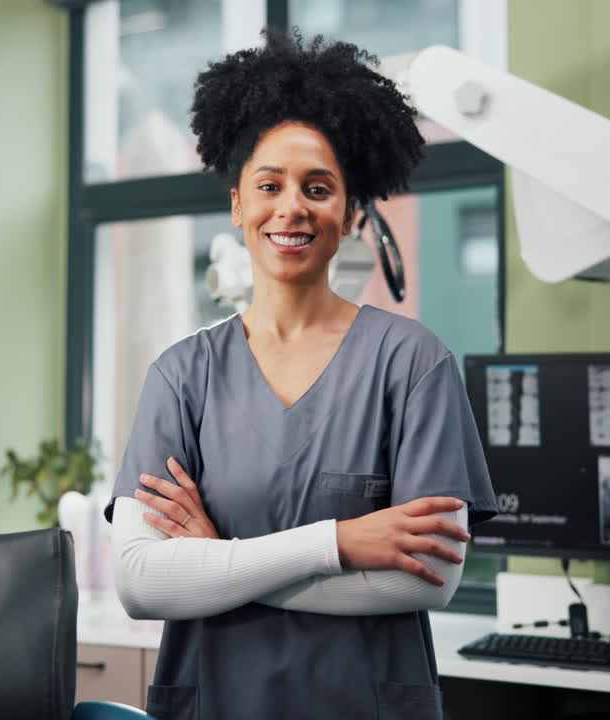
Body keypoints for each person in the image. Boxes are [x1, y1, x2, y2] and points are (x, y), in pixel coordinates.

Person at [104, 31, 497, 720]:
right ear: (237, 205)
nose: (292, 207)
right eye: (269, 185)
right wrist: (339, 543)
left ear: (350, 214)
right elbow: (140, 581)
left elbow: (430, 579)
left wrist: (220, 562)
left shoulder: (413, 364)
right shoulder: (181, 376)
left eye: (318, 189)